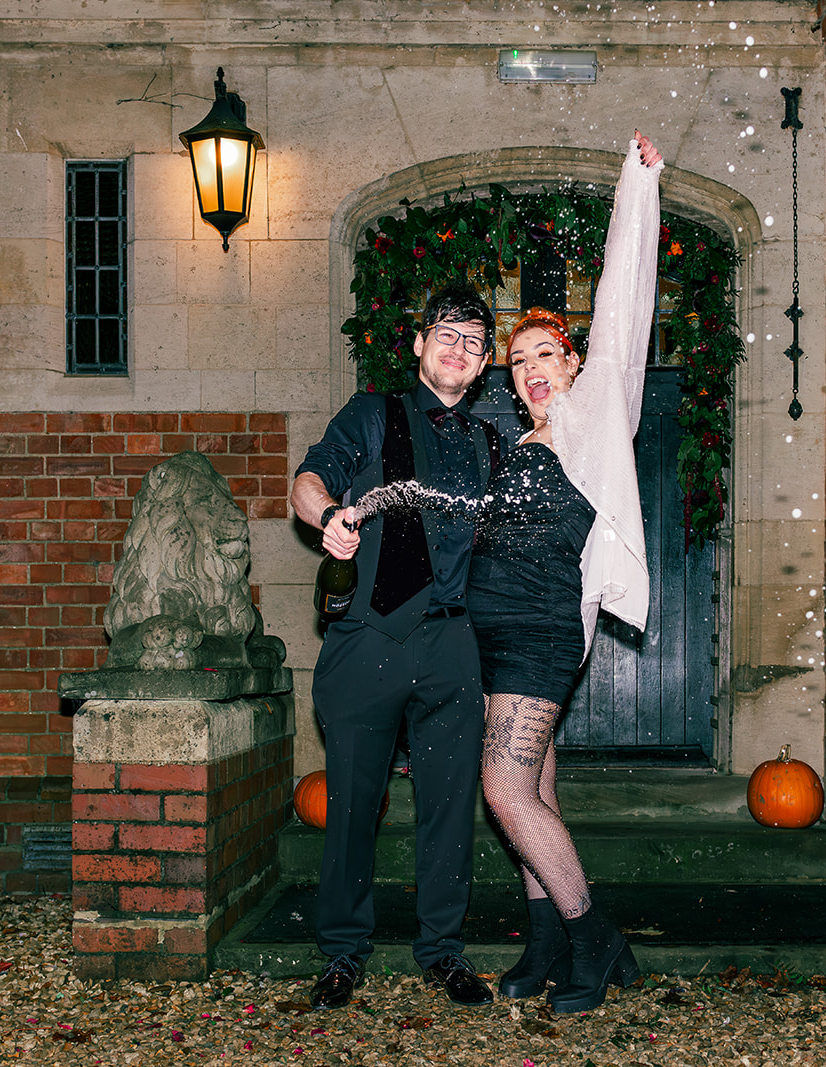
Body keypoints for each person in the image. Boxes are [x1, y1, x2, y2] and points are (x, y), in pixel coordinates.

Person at [469, 131, 663, 1013]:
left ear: (574, 363)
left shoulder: (596, 419)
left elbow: (621, 304)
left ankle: (595, 938)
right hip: (492, 635)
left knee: (504, 788)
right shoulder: (513, 444)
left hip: (543, 632)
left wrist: (637, 186)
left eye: (546, 352)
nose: (532, 368)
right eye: (519, 361)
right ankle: (545, 939)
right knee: (536, 789)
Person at [291, 284, 502, 1011]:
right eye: (447, 333)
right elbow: (308, 480)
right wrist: (329, 517)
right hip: (369, 639)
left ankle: (443, 952)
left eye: (473, 342)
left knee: (450, 807)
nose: (459, 348)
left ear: (483, 363)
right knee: (352, 804)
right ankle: (342, 953)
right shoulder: (371, 413)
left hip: (452, 644)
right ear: (419, 344)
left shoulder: (489, 443)